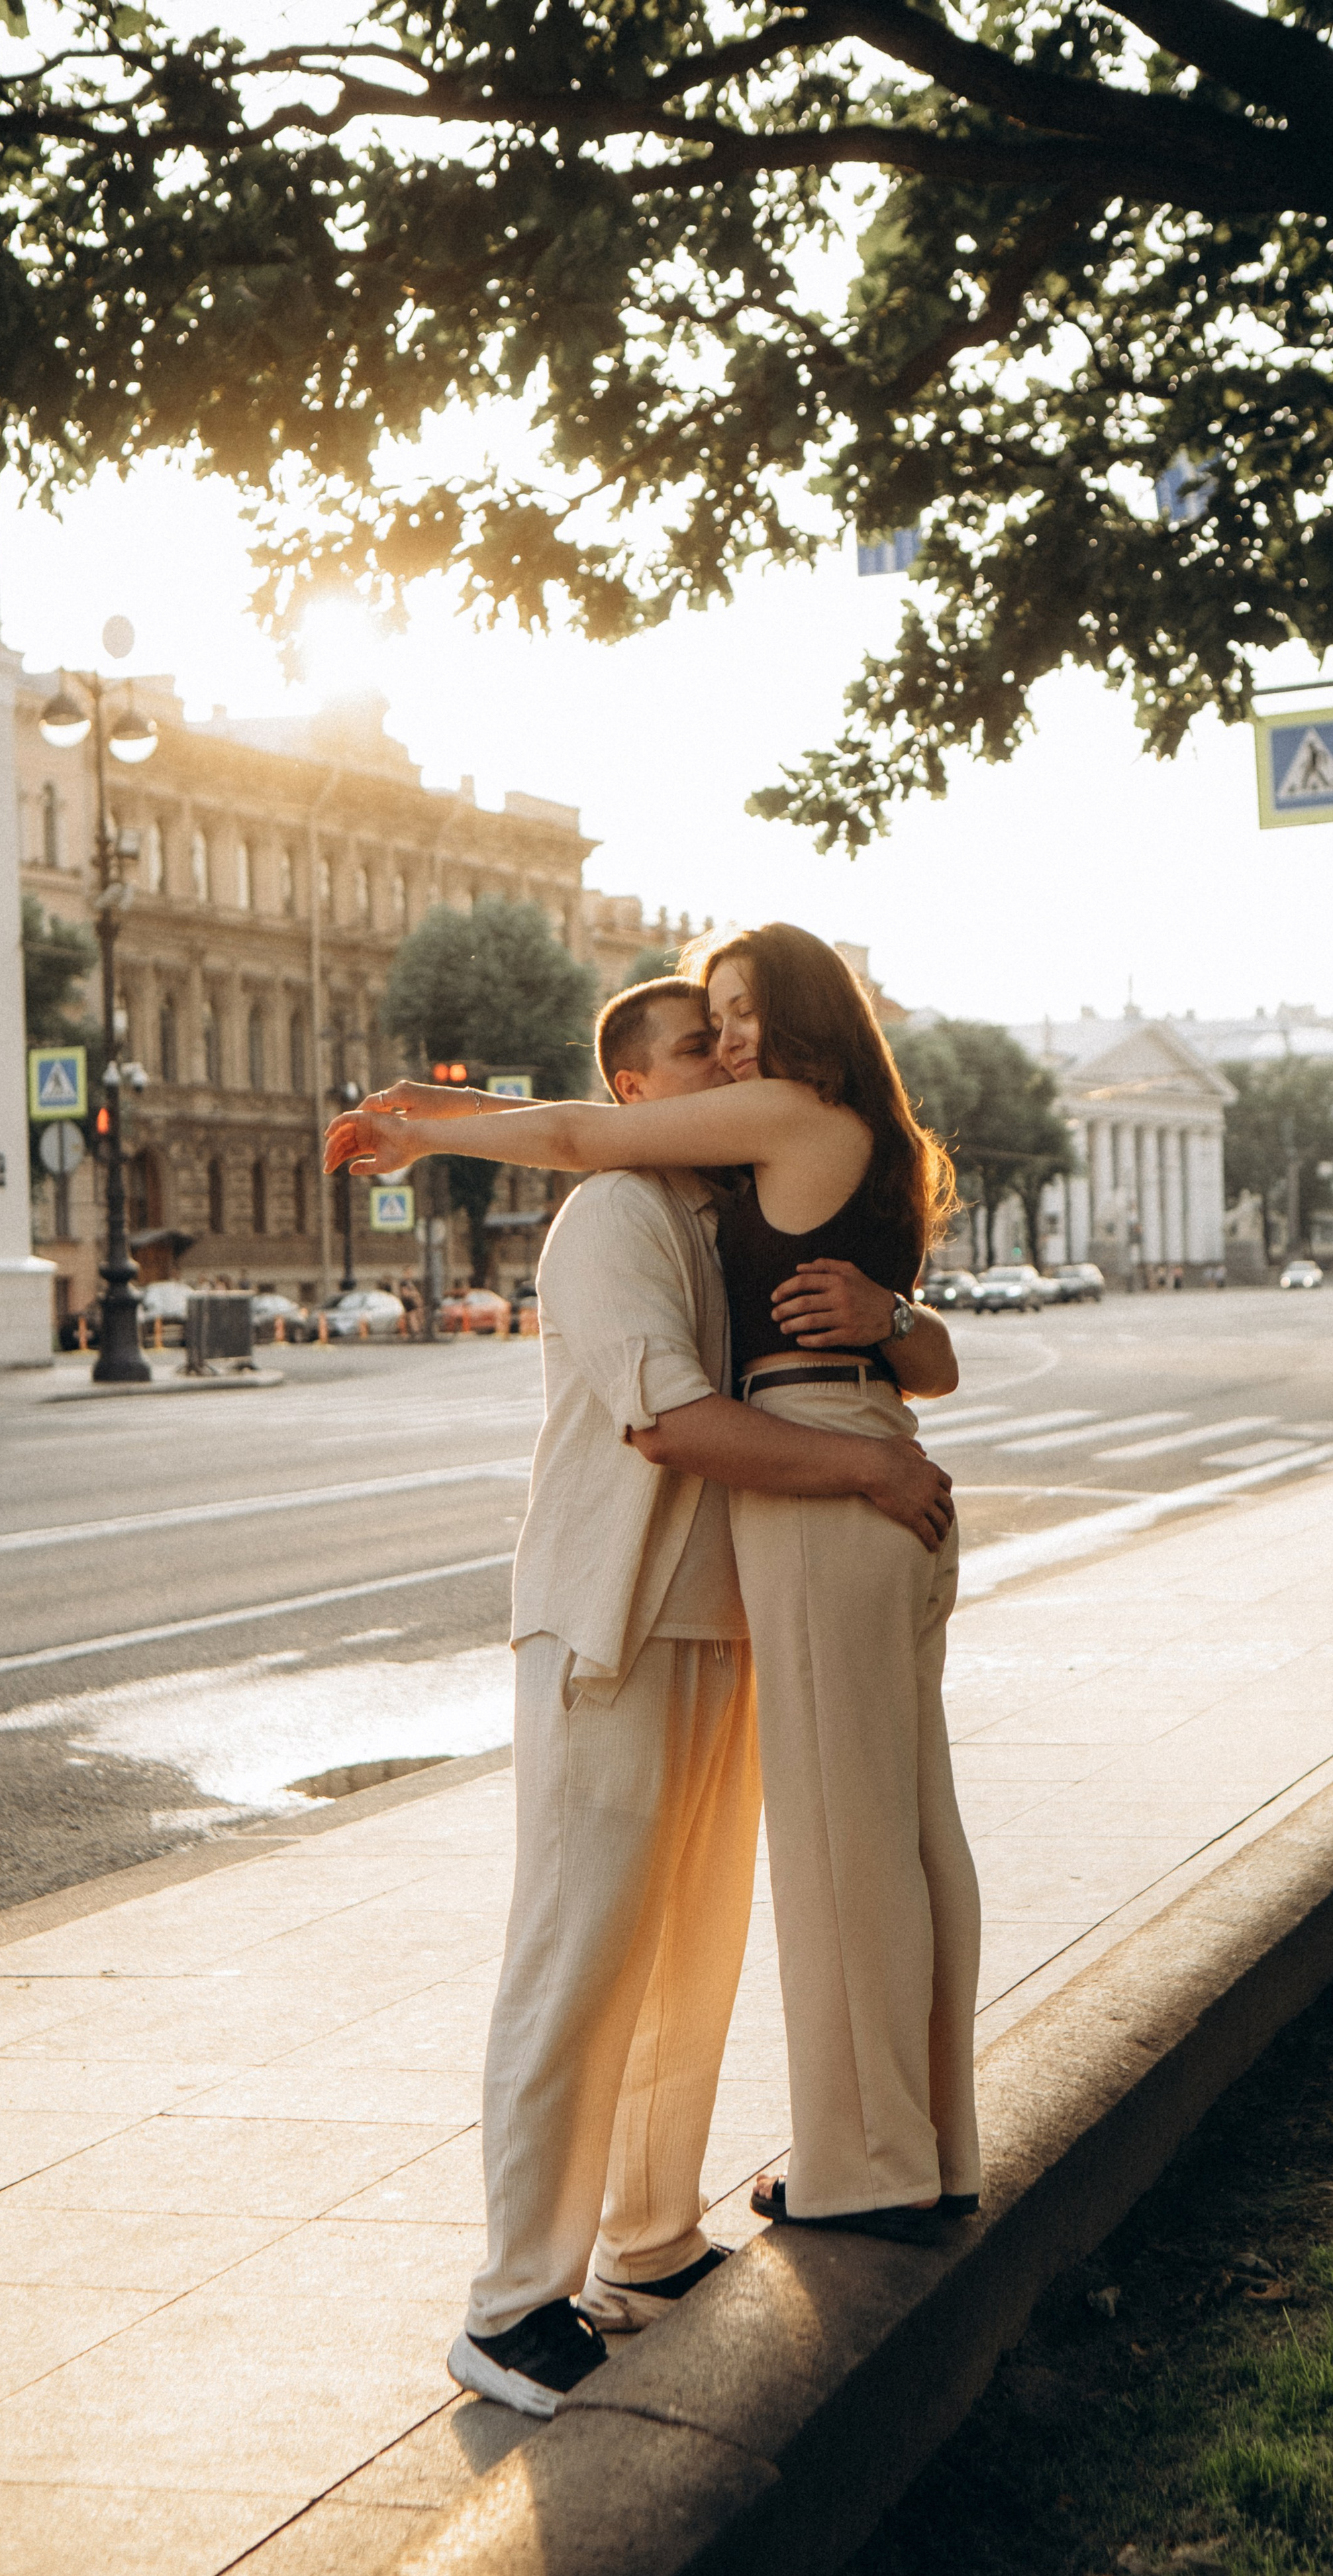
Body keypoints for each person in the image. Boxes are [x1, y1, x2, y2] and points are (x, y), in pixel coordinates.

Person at [350, 976, 955, 2420]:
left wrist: (893, 1324)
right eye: (700, 1047)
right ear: (633, 1088)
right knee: (577, 1957)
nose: (729, 1060)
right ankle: (511, 2304)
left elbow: (888, 1353)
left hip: (718, 1629)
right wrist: (871, 1468)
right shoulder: (614, 1214)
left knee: (688, 1952)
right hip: (608, 1626)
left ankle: (649, 2239)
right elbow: (671, 1425)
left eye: (734, 1040)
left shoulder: (726, 1215)